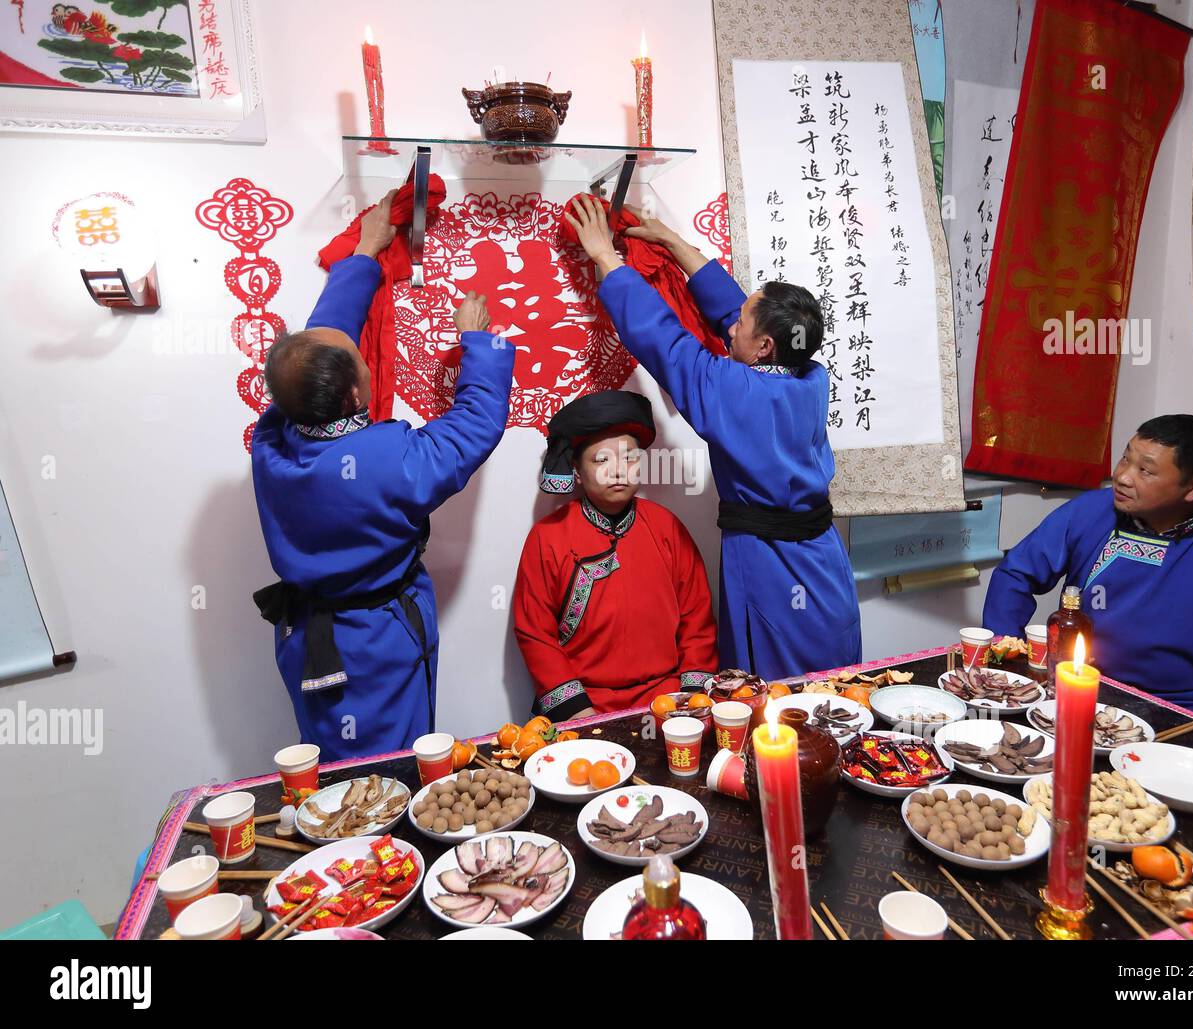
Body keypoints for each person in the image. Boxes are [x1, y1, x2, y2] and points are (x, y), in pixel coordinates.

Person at [251, 191, 516, 760]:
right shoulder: (387, 460)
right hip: (376, 641)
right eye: (361, 363)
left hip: (306, 637)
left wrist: (366, 252)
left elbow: (313, 351)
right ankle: (386, 850)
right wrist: (478, 340)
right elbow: (475, 424)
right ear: (352, 391)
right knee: (388, 768)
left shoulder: (272, 440)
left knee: (325, 760)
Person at [562, 196, 861, 681]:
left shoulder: (734, 390)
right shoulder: (810, 376)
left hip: (773, 561)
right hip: (825, 560)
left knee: (773, 694)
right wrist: (675, 243)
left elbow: (662, 339)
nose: (731, 324)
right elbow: (739, 315)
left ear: (763, 347)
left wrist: (604, 256)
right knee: (832, 682)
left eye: (742, 322)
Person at [983, 414, 1193, 717]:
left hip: (1188, 711)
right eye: (1126, 458)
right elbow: (1016, 574)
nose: (1122, 476)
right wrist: (1007, 651)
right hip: (1078, 687)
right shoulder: (1091, 511)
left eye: (1145, 471)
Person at [512, 390, 719, 720]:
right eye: (601, 460)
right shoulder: (548, 536)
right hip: (585, 702)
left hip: (666, 700)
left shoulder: (666, 526)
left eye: (629, 458)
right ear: (577, 471)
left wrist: (689, 698)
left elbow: (698, 619)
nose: (619, 471)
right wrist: (578, 711)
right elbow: (535, 633)